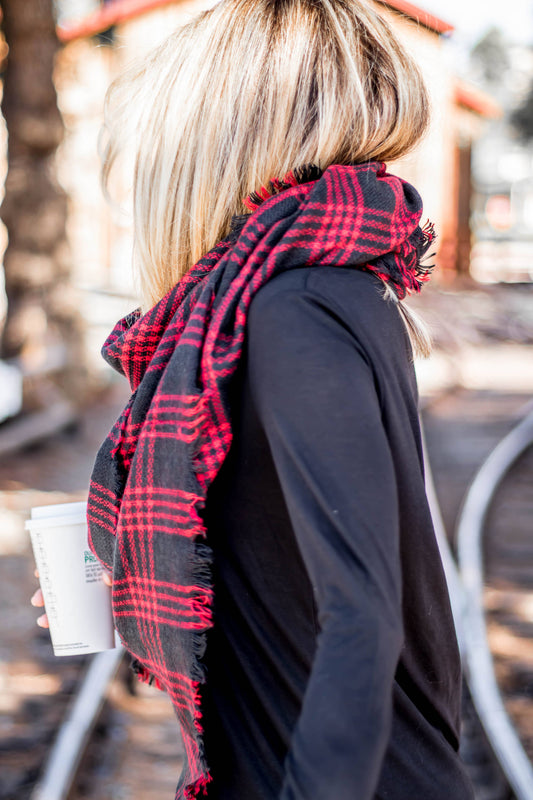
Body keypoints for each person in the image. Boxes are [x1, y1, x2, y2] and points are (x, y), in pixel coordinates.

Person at [32, 1, 475, 798]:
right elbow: (296, 568)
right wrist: (131, 577)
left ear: (209, 145)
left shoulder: (292, 305)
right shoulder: (328, 289)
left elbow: (361, 616)